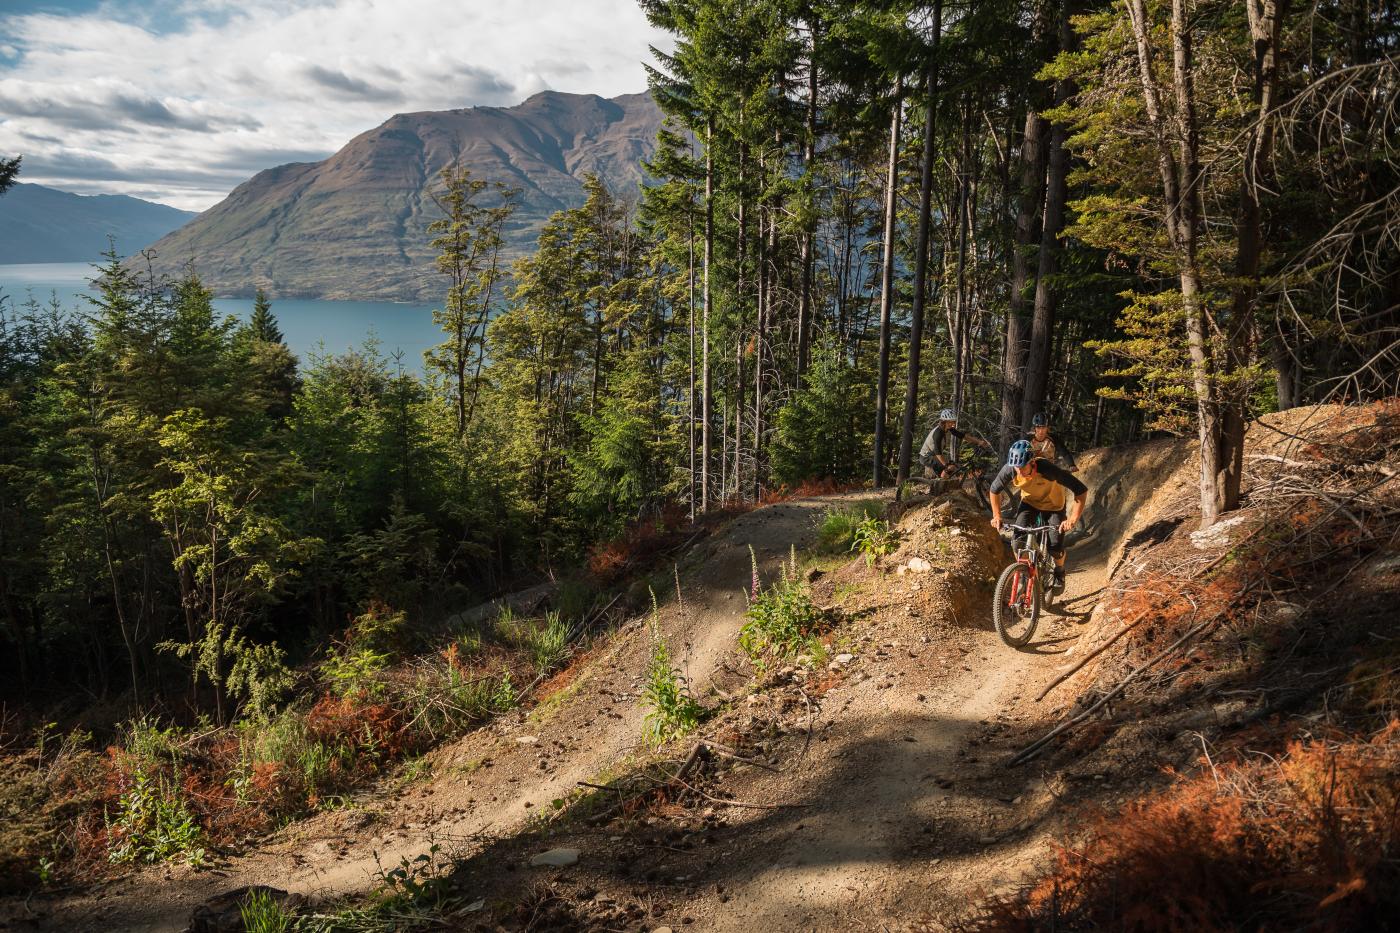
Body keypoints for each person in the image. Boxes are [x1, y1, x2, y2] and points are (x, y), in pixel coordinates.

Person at [988, 440, 1088, 591]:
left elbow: (1080, 490)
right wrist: (997, 516)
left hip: (1054, 506)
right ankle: (1023, 571)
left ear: (1032, 461)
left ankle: (1059, 571)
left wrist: (1072, 519)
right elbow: (994, 490)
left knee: (1055, 547)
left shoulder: (1047, 469)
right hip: (1030, 503)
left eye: (1022, 467)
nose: (1019, 471)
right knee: (1017, 542)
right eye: (1016, 467)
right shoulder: (1011, 469)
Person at [919, 408, 992, 478]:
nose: (953, 424)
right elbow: (937, 452)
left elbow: (963, 436)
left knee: (954, 468)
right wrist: (946, 466)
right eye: (951, 422)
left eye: (954, 421)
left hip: (935, 456)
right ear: (944, 422)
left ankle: (948, 486)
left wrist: (979, 442)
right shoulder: (938, 433)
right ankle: (940, 486)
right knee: (946, 472)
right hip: (926, 457)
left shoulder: (949, 429)